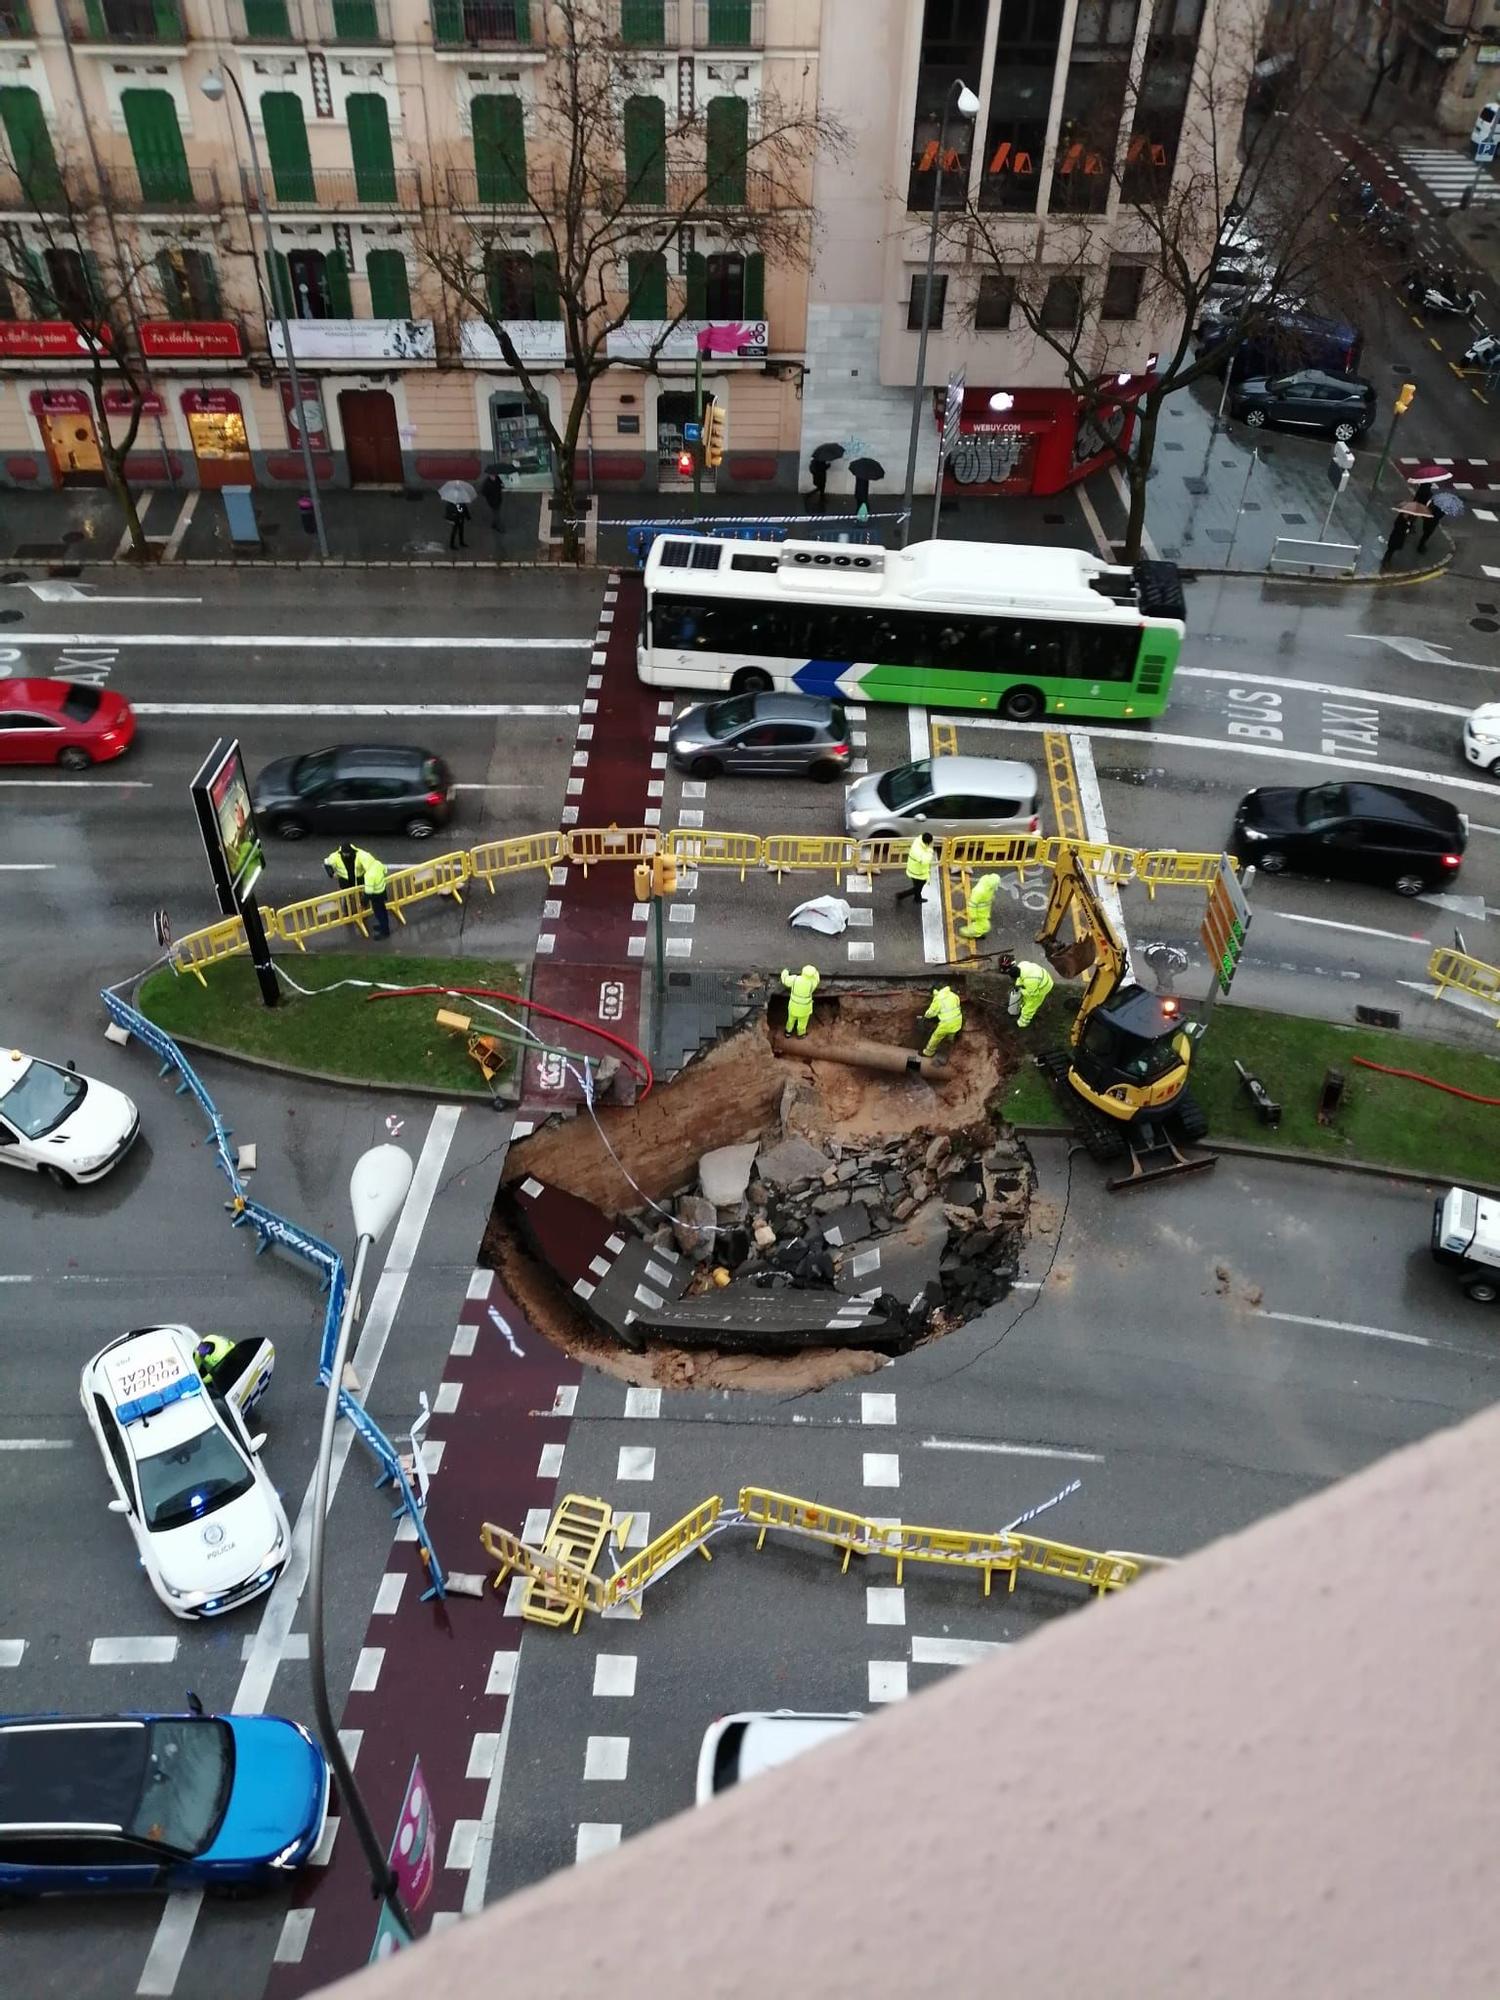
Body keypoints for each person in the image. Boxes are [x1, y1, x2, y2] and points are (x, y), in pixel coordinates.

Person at [324, 842, 391, 939]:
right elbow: (327, 862)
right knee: (380, 911)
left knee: (379, 912)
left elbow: (368, 892)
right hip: (347, 883)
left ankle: (383, 930)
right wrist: (331, 873)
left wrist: (363, 902)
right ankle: (349, 914)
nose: (346, 855)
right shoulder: (377, 865)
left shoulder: (368, 874)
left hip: (366, 887)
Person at [1002, 955, 1055, 1029]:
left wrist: (1021, 990)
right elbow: (1020, 978)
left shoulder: (1030, 981)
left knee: (1029, 1007)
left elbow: (1033, 994)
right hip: (1041, 977)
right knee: (1025, 997)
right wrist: (1018, 985)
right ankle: (1020, 1006)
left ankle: (1022, 1023)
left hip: (1044, 986)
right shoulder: (1022, 965)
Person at [922, 983, 963, 1060]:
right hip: (958, 1021)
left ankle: (928, 1053)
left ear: (935, 992)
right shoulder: (953, 995)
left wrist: (925, 1016)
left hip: (946, 1024)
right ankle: (950, 1042)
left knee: (935, 1037)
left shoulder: (938, 999)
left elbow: (931, 1013)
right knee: (951, 1033)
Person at [895, 829, 935, 905]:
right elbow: (925, 861)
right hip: (918, 872)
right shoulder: (918, 851)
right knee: (918, 887)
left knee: (916, 885)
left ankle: (917, 898)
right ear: (927, 843)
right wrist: (930, 849)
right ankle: (901, 895)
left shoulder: (918, 841)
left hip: (913, 868)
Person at [780, 963, 820, 1036]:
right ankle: (801, 1034)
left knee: (790, 1020)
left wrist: (785, 971)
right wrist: (815, 972)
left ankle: (788, 1032)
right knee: (802, 1023)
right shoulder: (812, 983)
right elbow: (817, 979)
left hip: (793, 1006)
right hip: (805, 1009)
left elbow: (785, 980)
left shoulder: (795, 979)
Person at [959, 872, 1002, 941]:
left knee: (981, 923)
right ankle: (971, 932)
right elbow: (973, 904)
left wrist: (991, 897)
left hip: (984, 909)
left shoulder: (986, 880)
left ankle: (977, 933)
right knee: (985, 925)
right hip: (980, 911)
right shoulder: (979, 891)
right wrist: (973, 914)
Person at [479, 465, 506, 531]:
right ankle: (498, 527)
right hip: (492, 501)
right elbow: (483, 492)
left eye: (494, 475)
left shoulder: (497, 478)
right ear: (489, 475)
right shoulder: (486, 483)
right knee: (497, 514)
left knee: (495, 513)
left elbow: (500, 484)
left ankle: (494, 524)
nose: (493, 476)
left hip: (498, 498)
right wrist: (489, 495)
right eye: (492, 475)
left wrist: (502, 486)